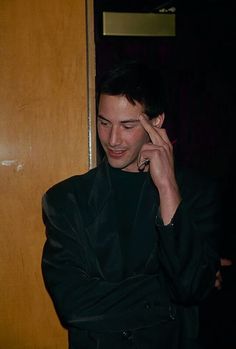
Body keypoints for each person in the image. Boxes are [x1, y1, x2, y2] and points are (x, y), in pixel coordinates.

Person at [41, 60, 221, 349]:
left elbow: (190, 287)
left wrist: (167, 187)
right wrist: (166, 298)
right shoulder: (65, 199)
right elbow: (73, 303)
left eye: (127, 125)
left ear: (157, 122)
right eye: (103, 122)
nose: (112, 139)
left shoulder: (196, 193)